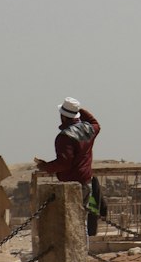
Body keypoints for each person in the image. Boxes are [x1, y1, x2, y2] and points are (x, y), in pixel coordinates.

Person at [35, 98, 101, 231]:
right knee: (82, 223)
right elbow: (95, 123)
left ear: (63, 116)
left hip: (71, 186)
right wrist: (77, 109)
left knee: (72, 225)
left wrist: (46, 167)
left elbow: (64, 163)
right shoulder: (89, 129)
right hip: (86, 182)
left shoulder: (65, 137)